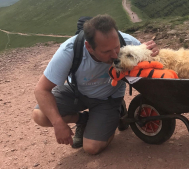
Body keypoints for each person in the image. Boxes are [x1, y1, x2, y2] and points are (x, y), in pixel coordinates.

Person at [32, 14, 159, 155]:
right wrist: (58, 123)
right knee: (40, 116)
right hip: (77, 93)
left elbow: (155, 65)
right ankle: (84, 120)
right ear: (89, 47)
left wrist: (153, 53)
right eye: (106, 51)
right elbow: (41, 90)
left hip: (108, 98)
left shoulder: (127, 41)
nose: (114, 55)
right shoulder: (70, 50)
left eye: (117, 48)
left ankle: (115, 112)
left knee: (91, 148)